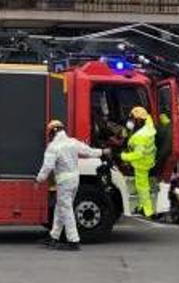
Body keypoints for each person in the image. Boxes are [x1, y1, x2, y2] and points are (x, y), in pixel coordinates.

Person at [36, 120, 106, 251]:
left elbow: (47, 167)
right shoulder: (73, 142)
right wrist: (103, 152)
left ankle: (73, 241)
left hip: (64, 182)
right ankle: (54, 236)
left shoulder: (53, 147)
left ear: (52, 131)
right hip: (75, 180)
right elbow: (89, 151)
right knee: (60, 208)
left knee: (66, 210)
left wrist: (39, 179)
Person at [121, 106, 157, 219]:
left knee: (142, 188)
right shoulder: (148, 128)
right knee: (141, 187)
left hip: (141, 163)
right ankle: (143, 207)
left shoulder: (140, 136)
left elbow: (138, 154)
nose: (130, 122)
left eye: (132, 119)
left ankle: (148, 211)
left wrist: (123, 156)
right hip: (148, 160)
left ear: (138, 120)